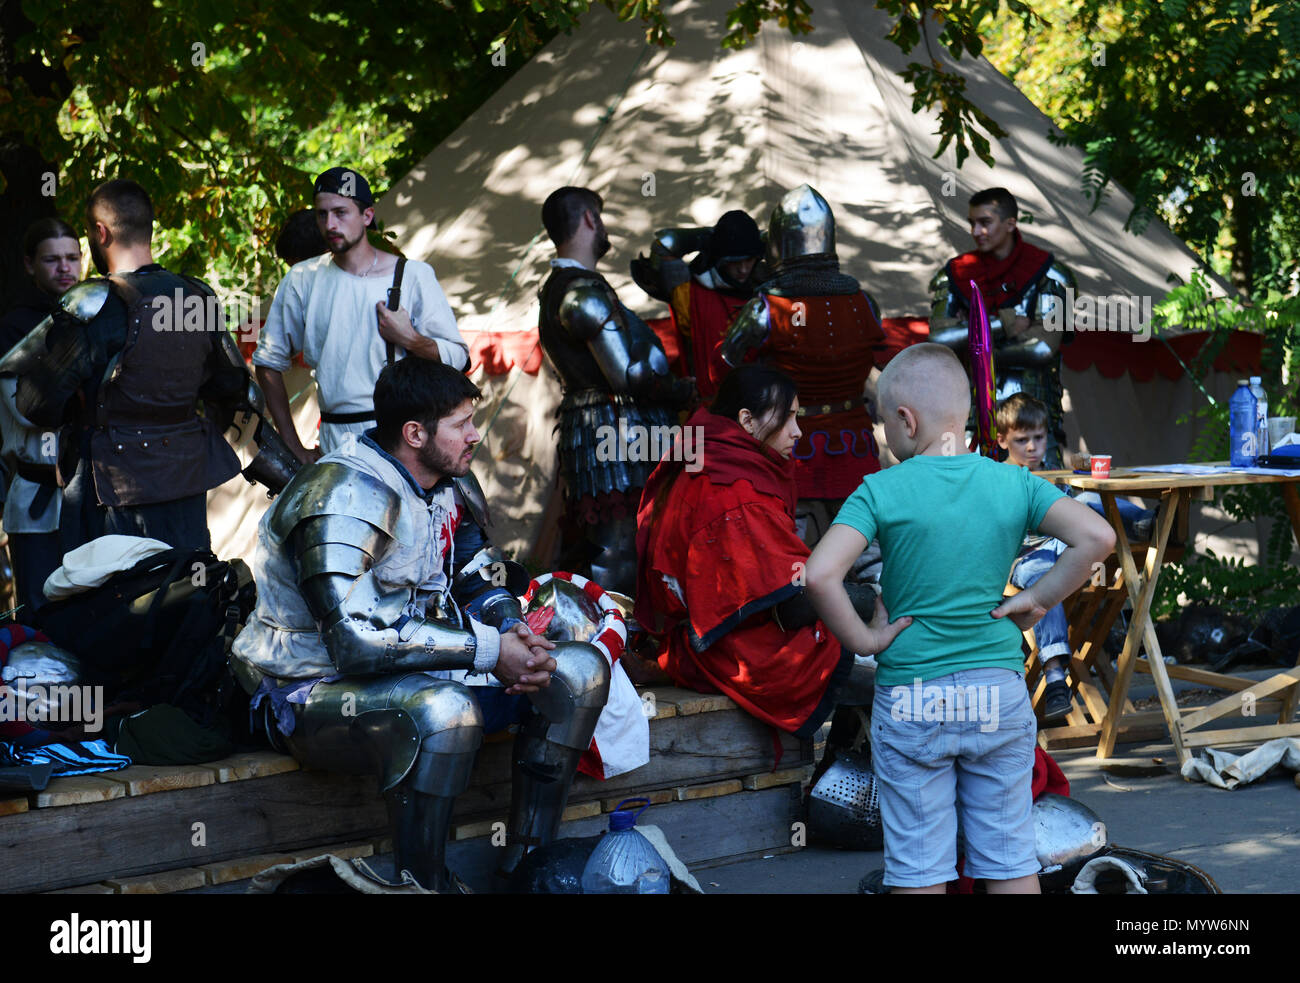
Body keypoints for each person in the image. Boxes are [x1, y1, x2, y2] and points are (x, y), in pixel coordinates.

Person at [230, 358, 610, 891]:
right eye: (461, 424)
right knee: (442, 712)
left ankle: (530, 867)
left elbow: (478, 570)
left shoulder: (443, 479)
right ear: (414, 433)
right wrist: (488, 651)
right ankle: (420, 882)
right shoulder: (342, 494)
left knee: (579, 670)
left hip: (407, 670)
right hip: (307, 691)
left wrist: (513, 630)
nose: (476, 435)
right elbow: (355, 642)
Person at [805, 342, 1114, 894]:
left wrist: (867, 639)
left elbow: (822, 574)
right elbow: (1098, 537)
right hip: (995, 694)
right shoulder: (1011, 482)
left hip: (911, 696)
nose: (883, 436)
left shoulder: (879, 489)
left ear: (905, 419)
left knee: (919, 866)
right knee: (1010, 860)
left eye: (882, 424)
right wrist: (1037, 598)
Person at [635, 364, 907, 738]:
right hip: (728, 652)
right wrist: (873, 600)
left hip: (708, 640)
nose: (798, 431)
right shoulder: (733, 490)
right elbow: (795, 601)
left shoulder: (711, 458)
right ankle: (852, 780)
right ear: (746, 420)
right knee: (894, 669)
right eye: (788, 417)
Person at [0, 180, 249, 554]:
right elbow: (233, 386)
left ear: (100, 233)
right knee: (187, 597)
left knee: (113, 605)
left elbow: (34, 404)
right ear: (150, 226)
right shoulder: (197, 296)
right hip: (185, 484)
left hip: (110, 492)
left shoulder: (93, 302)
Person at [537, 186, 693, 596]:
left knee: (631, 541)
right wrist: (681, 389)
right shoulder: (580, 293)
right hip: (612, 431)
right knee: (617, 548)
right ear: (590, 218)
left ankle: (626, 642)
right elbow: (629, 376)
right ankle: (613, 645)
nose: (603, 227)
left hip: (611, 428)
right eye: (600, 218)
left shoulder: (571, 286)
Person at [253, 167, 468, 464]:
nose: (330, 224)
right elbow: (267, 362)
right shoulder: (302, 279)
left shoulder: (413, 276)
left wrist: (411, 340)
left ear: (367, 216)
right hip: (337, 445)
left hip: (408, 441)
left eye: (341, 213)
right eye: (322, 214)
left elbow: (458, 357)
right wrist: (292, 444)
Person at [722, 184, 889, 548]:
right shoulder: (864, 301)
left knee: (791, 553)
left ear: (780, 243)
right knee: (864, 547)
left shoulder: (764, 308)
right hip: (853, 442)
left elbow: (727, 366)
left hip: (791, 444)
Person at [996, 392, 1154, 722]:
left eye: (1038, 438)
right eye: (1021, 440)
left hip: (1066, 551)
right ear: (1002, 441)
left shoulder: (1054, 474)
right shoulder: (999, 479)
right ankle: (1054, 677)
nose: (1031, 448)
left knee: (1083, 499)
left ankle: (1141, 523)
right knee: (1044, 578)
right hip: (1024, 558)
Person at [929, 187, 1077, 469]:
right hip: (973, 417)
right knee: (973, 503)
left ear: (1010, 223)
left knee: (1046, 503)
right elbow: (939, 339)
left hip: (1033, 420)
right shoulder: (956, 275)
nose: (976, 231)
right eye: (972, 223)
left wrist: (972, 338)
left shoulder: (1050, 275)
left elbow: (1043, 347)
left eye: (985, 222)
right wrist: (1005, 323)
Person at [0, 219, 82, 614]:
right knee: (38, 616)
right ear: (30, 265)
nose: (65, 267)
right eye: (52, 260)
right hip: (35, 496)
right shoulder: (13, 328)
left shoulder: (94, 318)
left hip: (89, 497)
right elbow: (29, 410)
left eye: (72, 257)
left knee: (93, 611)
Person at [631, 209, 765, 400]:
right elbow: (666, 245)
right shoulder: (692, 294)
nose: (743, 269)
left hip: (761, 404)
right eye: (735, 261)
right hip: (711, 407)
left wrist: (764, 239)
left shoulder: (766, 292)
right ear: (719, 259)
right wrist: (712, 238)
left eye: (749, 260)